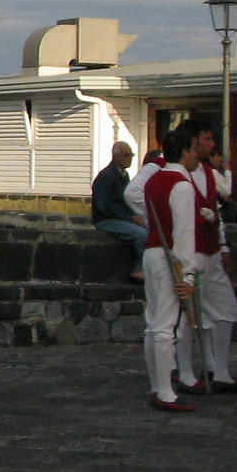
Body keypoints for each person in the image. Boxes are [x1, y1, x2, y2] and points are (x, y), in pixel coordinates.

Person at [175, 120, 237, 393]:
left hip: (212, 251)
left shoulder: (208, 171)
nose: (212, 144)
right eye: (207, 139)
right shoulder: (173, 172)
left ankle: (220, 371)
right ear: (193, 142)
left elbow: (216, 206)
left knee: (227, 310)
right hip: (189, 251)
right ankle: (185, 373)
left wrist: (224, 247)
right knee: (188, 314)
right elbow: (137, 196)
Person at [136, 135, 199, 412]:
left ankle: (157, 385)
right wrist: (188, 276)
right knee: (165, 326)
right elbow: (184, 235)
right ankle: (165, 391)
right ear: (185, 152)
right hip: (169, 255)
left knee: (153, 323)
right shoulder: (181, 186)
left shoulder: (153, 180)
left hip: (151, 253)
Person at [91, 140, 146, 281]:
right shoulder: (107, 177)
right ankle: (139, 270)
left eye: (131, 155)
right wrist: (130, 218)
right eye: (127, 155)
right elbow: (106, 207)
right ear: (116, 156)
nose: (131, 159)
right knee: (141, 234)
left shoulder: (123, 175)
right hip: (106, 220)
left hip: (119, 217)